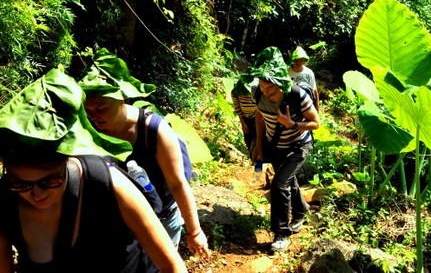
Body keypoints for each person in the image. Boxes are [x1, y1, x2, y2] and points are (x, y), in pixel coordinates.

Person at [0, 68, 186, 272]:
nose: (36, 194)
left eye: (49, 181)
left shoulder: (106, 184)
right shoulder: (5, 200)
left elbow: (171, 265)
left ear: (66, 161)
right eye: (21, 184)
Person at [78, 48, 210, 258]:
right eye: (88, 110)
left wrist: (194, 232)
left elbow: (177, 184)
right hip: (117, 222)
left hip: (161, 218)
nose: (93, 116)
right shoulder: (86, 127)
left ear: (122, 99)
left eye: (101, 109)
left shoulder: (154, 130)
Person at [247, 47, 320, 253]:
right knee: (288, 181)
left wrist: (293, 124)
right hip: (275, 144)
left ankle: (281, 234)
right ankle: (301, 211)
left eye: (271, 89)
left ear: (281, 84)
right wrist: (259, 146)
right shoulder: (258, 91)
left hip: (298, 144)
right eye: (263, 85)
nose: (267, 92)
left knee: (280, 184)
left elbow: (316, 123)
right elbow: (260, 117)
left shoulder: (298, 95)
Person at [231, 77, 258, 157]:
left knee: (257, 138)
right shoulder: (236, 92)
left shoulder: (256, 89)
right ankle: (252, 158)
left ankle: (259, 158)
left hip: (257, 117)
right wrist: (243, 123)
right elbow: (237, 108)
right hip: (246, 118)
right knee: (248, 139)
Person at [288, 46, 320, 112]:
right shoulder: (287, 72)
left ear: (304, 60)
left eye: (301, 60)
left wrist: (317, 104)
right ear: (293, 60)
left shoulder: (309, 72)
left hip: (307, 103)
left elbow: (314, 90)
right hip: (292, 104)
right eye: (296, 60)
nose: (298, 63)